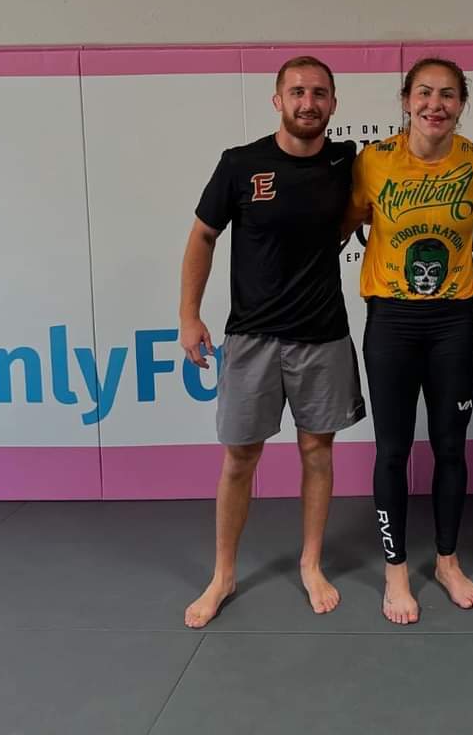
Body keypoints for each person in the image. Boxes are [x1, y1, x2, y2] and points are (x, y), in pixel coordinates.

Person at [179, 56, 365, 628]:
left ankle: (311, 563)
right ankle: (223, 574)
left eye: (320, 93)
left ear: (333, 103)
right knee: (240, 457)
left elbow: (359, 217)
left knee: (317, 452)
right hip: (251, 336)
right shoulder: (240, 164)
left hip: (322, 335)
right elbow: (203, 236)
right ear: (278, 99)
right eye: (298, 92)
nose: (309, 102)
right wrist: (189, 315)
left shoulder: (347, 162)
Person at [342, 58, 473, 625]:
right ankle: (396, 571)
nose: (436, 104)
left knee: (451, 447)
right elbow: (348, 220)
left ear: (461, 104)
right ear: (406, 100)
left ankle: (448, 562)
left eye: (448, 94)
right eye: (425, 93)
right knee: (393, 450)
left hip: (453, 320)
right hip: (391, 321)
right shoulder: (372, 161)